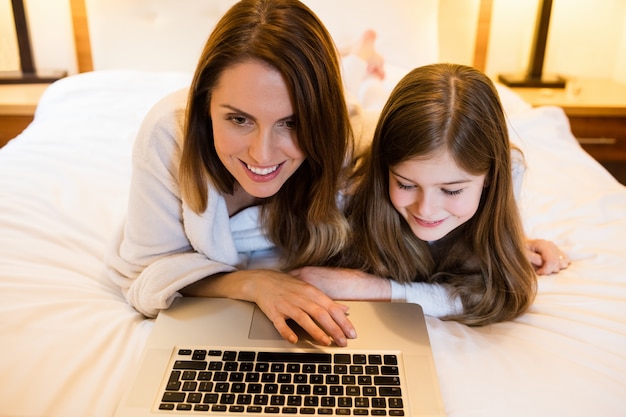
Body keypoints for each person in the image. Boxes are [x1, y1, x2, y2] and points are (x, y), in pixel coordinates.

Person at [106, 0, 369, 347]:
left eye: (291, 123)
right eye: (239, 119)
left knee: (361, 75)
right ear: (205, 106)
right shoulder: (167, 136)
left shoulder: (348, 140)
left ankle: (365, 55)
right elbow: (146, 272)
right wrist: (253, 283)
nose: (262, 154)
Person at [292, 63, 570, 326]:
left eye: (451, 190)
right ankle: (362, 59)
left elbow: (503, 294)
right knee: (358, 87)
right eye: (406, 184)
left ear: (489, 179)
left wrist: (379, 289)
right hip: (365, 124)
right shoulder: (349, 187)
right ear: (385, 170)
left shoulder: (511, 168)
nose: (425, 209)